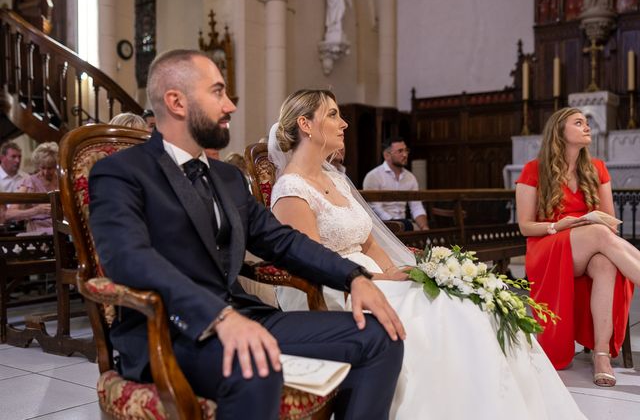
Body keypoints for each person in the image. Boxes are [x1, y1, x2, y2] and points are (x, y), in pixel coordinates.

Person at [88, 49, 404, 420]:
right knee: (257, 366)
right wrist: (218, 316)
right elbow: (129, 259)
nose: (231, 106)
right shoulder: (120, 172)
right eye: (218, 92)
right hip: (168, 331)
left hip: (245, 316)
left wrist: (353, 277)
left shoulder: (228, 179)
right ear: (176, 101)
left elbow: (283, 240)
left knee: (381, 338)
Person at [269, 89, 586, 420]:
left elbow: (368, 243)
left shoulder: (337, 180)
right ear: (305, 124)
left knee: (467, 300)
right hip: (336, 288)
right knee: (445, 316)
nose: (344, 123)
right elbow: (313, 262)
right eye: (333, 115)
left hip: (372, 274)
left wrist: (399, 271)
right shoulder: (291, 190)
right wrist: (378, 278)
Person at [516, 107, 639, 386]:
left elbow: (610, 223)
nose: (587, 128)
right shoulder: (533, 170)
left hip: (590, 245)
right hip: (547, 248)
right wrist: (559, 225)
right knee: (597, 233)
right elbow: (525, 226)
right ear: (560, 131)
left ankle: (601, 355)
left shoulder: (596, 169)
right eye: (579, 123)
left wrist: (589, 225)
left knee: (606, 262)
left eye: (587, 124)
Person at [362, 137, 428, 231]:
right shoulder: (373, 176)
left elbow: (416, 206)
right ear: (387, 155)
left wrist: (424, 228)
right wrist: (395, 223)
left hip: (403, 224)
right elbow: (374, 208)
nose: (405, 155)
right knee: (406, 226)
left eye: (406, 150)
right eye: (400, 151)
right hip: (381, 225)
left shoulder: (410, 177)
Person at [7, 142, 59, 234]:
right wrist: (36, 210)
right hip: (38, 231)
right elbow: (9, 214)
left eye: (50, 168)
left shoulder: (61, 181)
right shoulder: (29, 182)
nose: (45, 172)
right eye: (42, 168)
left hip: (61, 227)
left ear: (56, 165)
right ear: (38, 165)